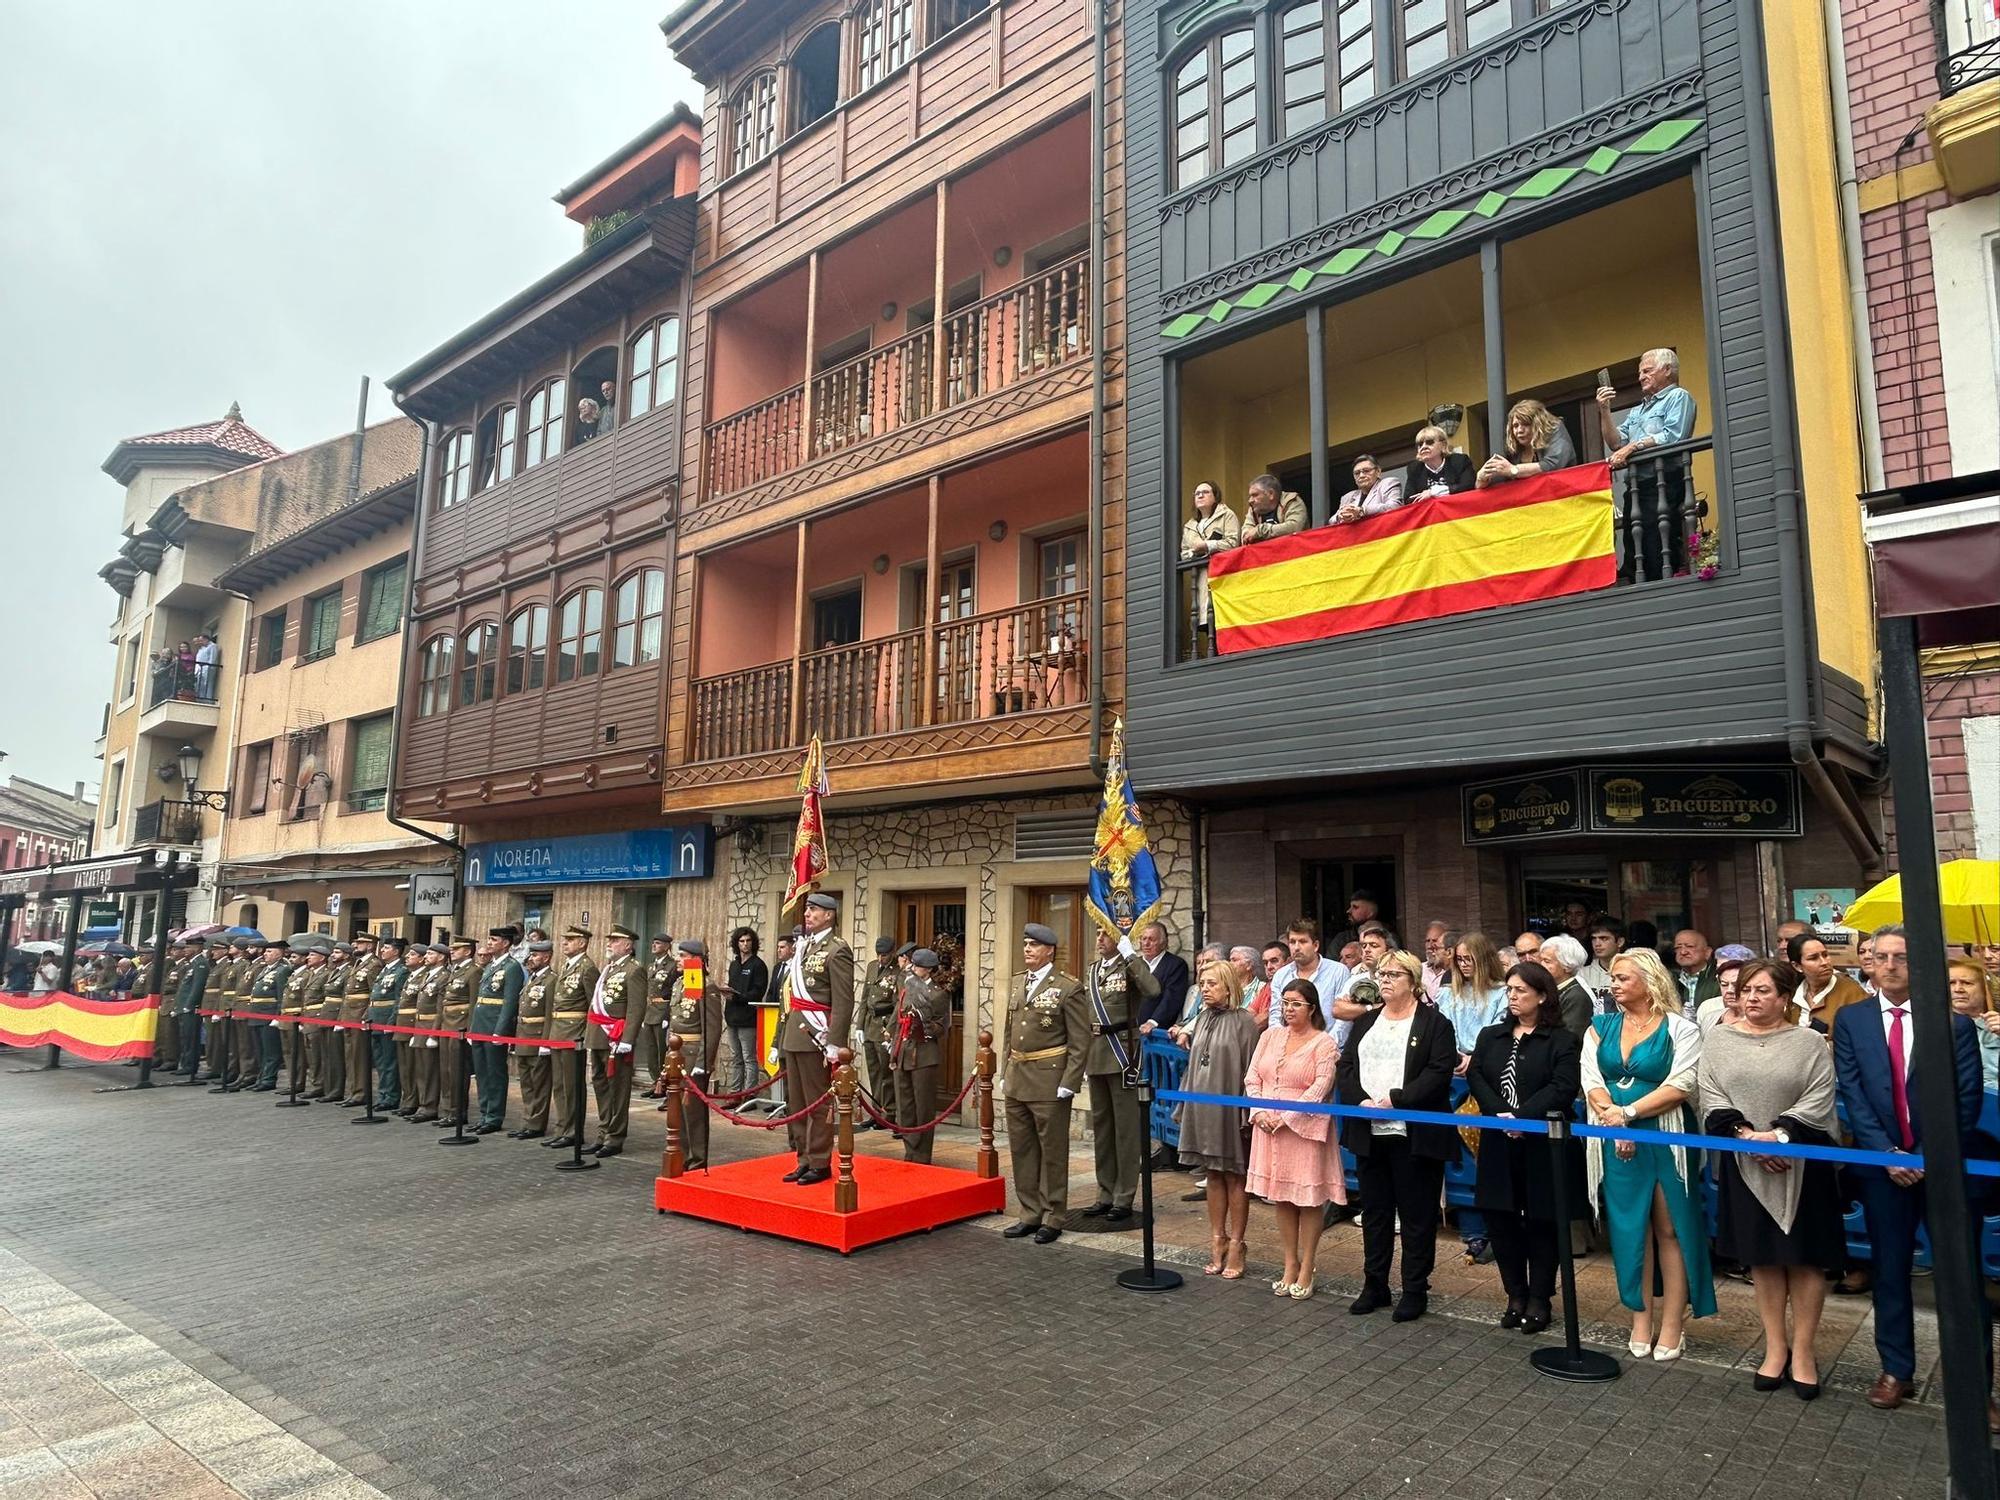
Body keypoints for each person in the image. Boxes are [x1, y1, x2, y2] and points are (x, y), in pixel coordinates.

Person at [1832, 925, 1987, 1412]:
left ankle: (1976, 1388)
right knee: (1891, 1271)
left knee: (1959, 1278)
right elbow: (1852, 1094)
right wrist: (1887, 1154)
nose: (1893, 965)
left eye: (1902, 955)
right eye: (1883, 957)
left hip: (1941, 1169)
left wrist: (1922, 1154)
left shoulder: (1953, 1024)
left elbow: (1965, 1099)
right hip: (1883, 1168)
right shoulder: (1852, 1021)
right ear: (1869, 964)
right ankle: (1896, 1369)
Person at [1699, 958, 1844, 1400]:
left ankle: (1803, 1352)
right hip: (1745, 1161)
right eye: (1746, 990)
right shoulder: (1719, 1039)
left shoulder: (1808, 1042)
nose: (1752, 998)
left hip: (1802, 1163)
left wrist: (1780, 1136)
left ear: (1784, 997)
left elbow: (1820, 1094)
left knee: (1804, 1258)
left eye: (1763, 991)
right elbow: (1710, 1092)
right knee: (1762, 1258)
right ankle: (1775, 1347)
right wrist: (1748, 1137)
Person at [1582, 947, 1715, 1360]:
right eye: (1613, 979)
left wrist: (1628, 1113)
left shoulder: (1681, 1028)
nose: (1614, 985)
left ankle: (1673, 1324)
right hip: (1613, 1135)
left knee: (1670, 1228)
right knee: (1629, 1229)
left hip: (1666, 1135)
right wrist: (1612, 1117)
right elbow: (1590, 1077)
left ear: (1650, 980)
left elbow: (1682, 1084)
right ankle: (1640, 1318)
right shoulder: (1599, 1027)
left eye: (1623, 978)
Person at [1336, 950, 1461, 1322]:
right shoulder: (1366, 1021)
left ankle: (1414, 1287)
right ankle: (1374, 1284)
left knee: (1416, 1215)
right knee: (1374, 1212)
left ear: (1413, 980)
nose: (1385, 980)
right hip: (1369, 1131)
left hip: (1414, 1134)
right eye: (1381, 974)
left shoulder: (1434, 1023)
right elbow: (1346, 1065)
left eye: (1393, 974)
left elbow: (1439, 1072)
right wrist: (1360, 1099)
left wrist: (1396, 1099)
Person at [1467, 961, 1585, 1334]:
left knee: (1541, 1221)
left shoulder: (1562, 1040)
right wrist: (1499, 1114)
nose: (1513, 996)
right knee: (1500, 1219)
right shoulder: (1492, 1035)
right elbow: (1477, 1075)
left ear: (1542, 995)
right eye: (1510, 990)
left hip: (1541, 1142)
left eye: (1521, 990)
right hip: (1498, 1140)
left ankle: (1539, 1298)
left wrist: (1522, 1118)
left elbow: (1562, 1086)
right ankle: (1514, 1294)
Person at [1246, 978, 1344, 1298]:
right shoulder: (1270, 1035)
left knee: (1307, 1198)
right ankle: (1289, 1262)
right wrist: (1260, 1112)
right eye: (1285, 1003)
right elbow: (1252, 1077)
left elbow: (1321, 1086)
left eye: (1296, 1004)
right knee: (1281, 1196)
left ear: (1312, 1008)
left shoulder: (1324, 1042)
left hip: (1304, 1128)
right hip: (1267, 1126)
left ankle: (1308, 1265)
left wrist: (1285, 1118)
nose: (1289, 1009)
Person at [1001, 923, 1089, 1244]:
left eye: (1034, 945)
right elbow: (1009, 1032)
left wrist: (1070, 1080)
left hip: (1050, 1080)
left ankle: (1054, 1214)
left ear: (1049, 950)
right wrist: (1003, 1071)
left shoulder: (1068, 987)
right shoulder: (1016, 983)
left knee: (1052, 1151)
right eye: (1025, 944)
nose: (1027, 950)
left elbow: (1080, 1040)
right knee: (1022, 1149)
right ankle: (1029, 1212)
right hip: (1017, 1077)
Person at [1176, 961, 1261, 1278]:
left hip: (1230, 1108)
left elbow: (1250, 1071)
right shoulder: (1201, 1019)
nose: (1205, 988)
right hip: (1202, 1106)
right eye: (1202, 983)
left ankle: (1238, 1243)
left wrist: (1246, 1112)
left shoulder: (1245, 1021)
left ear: (1228, 986)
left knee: (1234, 1176)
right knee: (1212, 1173)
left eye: (1211, 983)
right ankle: (1217, 1238)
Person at [1079, 925, 1160, 1224]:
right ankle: (1105, 1193)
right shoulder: (1090, 971)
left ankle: (1124, 1196)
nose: (1099, 939)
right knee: (1103, 1129)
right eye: (1097, 933)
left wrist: (1131, 956)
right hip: (1096, 1054)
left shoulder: (1130, 966)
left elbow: (1153, 990)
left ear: (1120, 939)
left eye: (1105, 934)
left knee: (1126, 1130)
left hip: (1123, 1053)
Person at [778, 893, 854, 1184]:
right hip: (795, 1031)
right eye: (807, 909)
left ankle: (820, 1161)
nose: (807, 914)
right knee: (796, 1102)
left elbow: (844, 1000)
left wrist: (835, 1041)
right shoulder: (803, 947)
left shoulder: (837, 950)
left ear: (829, 915)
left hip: (816, 1033)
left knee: (816, 1102)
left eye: (814, 910)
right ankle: (803, 1158)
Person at [585, 925, 647, 1158]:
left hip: (616, 1037)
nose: (609, 943)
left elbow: (636, 1008)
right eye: (609, 939)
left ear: (628, 945)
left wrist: (628, 1039)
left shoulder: (634, 970)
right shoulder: (609, 969)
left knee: (618, 1088)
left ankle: (615, 1137)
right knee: (600, 1085)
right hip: (599, 1035)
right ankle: (603, 1132)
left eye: (615, 940)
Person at [889, 947, 951, 1163]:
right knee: (905, 1104)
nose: (913, 968)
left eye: (918, 966)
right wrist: (893, 1043)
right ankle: (910, 1150)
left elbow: (942, 1027)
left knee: (923, 1106)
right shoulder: (906, 986)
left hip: (925, 1053)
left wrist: (921, 1026)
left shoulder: (939, 994)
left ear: (929, 969)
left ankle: (922, 1154)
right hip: (903, 1050)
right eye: (913, 965)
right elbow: (899, 1015)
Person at [666, 938, 721, 1169]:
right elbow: (675, 1020)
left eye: (683, 956)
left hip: (693, 1052)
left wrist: (703, 1062)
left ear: (696, 960)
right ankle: (683, 1153)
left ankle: (698, 1158)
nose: (678, 960)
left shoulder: (707, 986)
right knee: (676, 1108)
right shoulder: (680, 983)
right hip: (677, 1054)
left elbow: (712, 1027)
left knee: (694, 1110)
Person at [1595, 347, 1697, 469]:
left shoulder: (1678, 396)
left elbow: (1673, 436)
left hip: (1666, 479)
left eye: (1647, 371)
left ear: (1667, 370)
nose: (1641, 378)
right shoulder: (1637, 411)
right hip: (1636, 482)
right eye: (1640, 373)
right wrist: (1604, 409)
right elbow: (1616, 444)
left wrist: (1632, 447)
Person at [543, 926, 598, 1148]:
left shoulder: (587, 968)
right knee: (559, 1084)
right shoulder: (565, 966)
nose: (565, 943)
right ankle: (562, 1127)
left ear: (583, 943)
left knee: (572, 1085)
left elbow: (593, 1004)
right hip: (558, 1030)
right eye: (564, 939)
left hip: (574, 1032)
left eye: (571, 940)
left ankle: (574, 1131)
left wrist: (586, 1034)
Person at [468, 930, 521, 1133]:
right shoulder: (491, 965)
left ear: (506, 943)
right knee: (481, 1072)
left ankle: (494, 1116)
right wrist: (473, 1028)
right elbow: (479, 1000)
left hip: (494, 1026)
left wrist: (501, 1030)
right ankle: (484, 1113)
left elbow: (509, 1002)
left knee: (495, 1072)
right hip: (481, 1025)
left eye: (494, 940)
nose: (489, 943)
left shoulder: (512, 967)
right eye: (489, 939)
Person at [1179, 480, 1239, 652]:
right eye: (1197, 493)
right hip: (1200, 580)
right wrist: (1194, 553)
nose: (1199, 495)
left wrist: (1207, 545)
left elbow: (1233, 542)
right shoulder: (1189, 526)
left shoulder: (1227, 515)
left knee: (1222, 617)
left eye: (1205, 492)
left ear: (1215, 496)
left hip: (1223, 576)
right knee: (1205, 619)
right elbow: (1184, 553)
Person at [1436, 932, 1508, 1076]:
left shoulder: (1502, 993)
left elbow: (1498, 1032)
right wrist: (1456, 1057)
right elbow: (1445, 1029)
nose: (1463, 965)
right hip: (1453, 1062)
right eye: (1459, 959)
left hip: (1488, 1063)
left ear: (1483, 960)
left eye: (1468, 959)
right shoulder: (1447, 993)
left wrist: (1475, 1058)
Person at [1264, 918, 1350, 1034]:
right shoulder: (1281, 975)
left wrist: (1328, 1045)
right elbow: (1276, 1016)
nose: (1296, 947)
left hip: (1329, 1045)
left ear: (1315, 945)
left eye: (1303, 942)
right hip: (1290, 1046)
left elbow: (1343, 1020)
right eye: (1292, 942)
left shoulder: (1338, 971)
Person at [508, 939, 555, 1138]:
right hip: (523, 1036)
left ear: (546, 957)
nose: (531, 959)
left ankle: (536, 1124)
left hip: (537, 1037)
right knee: (526, 1083)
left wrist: (545, 1042)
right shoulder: (532, 978)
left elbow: (550, 1013)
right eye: (531, 954)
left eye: (535, 955)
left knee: (539, 1084)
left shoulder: (551, 980)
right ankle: (528, 1120)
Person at [434, 936, 482, 1128]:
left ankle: (458, 1111)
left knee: (457, 1072)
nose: (452, 951)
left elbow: (473, 1003)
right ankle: (448, 1110)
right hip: (447, 1024)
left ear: (468, 951)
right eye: (451, 949)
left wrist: (470, 1030)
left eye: (457, 949)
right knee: (446, 1071)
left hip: (460, 1025)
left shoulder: (473, 972)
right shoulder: (455, 971)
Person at [1478, 399, 1577, 488]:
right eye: (1515, 426)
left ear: (1538, 424)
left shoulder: (1555, 429)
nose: (1520, 430)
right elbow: (1495, 482)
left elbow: (1552, 465)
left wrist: (1514, 470)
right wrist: (1481, 480)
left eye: (1526, 424)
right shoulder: (1512, 449)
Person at [859, 935, 901, 1126]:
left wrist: (891, 1029)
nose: (881, 958)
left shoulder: (897, 971)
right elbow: (864, 998)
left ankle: (889, 1113)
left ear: (892, 952)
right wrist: (859, 1026)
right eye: (878, 954)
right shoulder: (871, 967)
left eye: (884, 955)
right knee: (873, 1071)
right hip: (869, 1024)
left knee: (886, 1072)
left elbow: (898, 1003)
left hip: (884, 1025)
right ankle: (876, 1112)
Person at [1787, 932, 1866, 1030]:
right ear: (1797, 966)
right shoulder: (1794, 995)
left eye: (1825, 955)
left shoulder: (1851, 991)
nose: (1824, 962)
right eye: (1813, 958)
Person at [336, 932, 381, 1105]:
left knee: (358, 1056)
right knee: (350, 1056)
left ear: (370, 946)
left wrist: (366, 1016)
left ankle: (360, 1092)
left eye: (360, 943)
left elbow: (373, 994)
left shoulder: (373, 965)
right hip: (349, 1014)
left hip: (360, 1015)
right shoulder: (358, 964)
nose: (355, 945)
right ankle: (353, 1090)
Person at [365, 937, 408, 1114]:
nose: (382, 950)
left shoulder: (401, 971)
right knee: (381, 1062)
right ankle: (383, 1094)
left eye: (386, 948)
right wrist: (368, 1016)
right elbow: (374, 997)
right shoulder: (384, 970)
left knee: (390, 1062)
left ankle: (391, 1096)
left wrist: (391, 1022)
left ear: (396, 951)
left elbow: (399, 1000)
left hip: (386, 1021)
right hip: (375, 1019)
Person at [724, 927, 766, 1094]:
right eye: (742, 941)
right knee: (736, 1058)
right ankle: (735, 1092)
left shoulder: (758, 965)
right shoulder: (734, 964)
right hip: (731, 1017)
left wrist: (736, 997)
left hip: (748, 1018)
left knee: (749, 1058)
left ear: (753, 943)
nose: (745, 944)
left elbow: (757, 992)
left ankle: (749, 1094)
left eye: (748, 941)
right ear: (737, 943)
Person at [1949, 955, 2000, 1091]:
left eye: (1967, 983)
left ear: (1986, 989)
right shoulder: (1935, 1028)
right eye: (1951, 983)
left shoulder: (1996, 1026)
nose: (1958, 989)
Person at [1133, 921, 1190, 1037]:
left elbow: (1172, 998)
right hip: (1130, 1032)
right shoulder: (1134, 965)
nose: (1146, 943)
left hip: (1157, 1032)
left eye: (1151, 940)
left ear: (1163, 943)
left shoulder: (1176, 965)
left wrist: (1153, 1022)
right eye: (1144, 939)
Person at [1534, 934, 1596, 1039]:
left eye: (1547, 961)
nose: (1541, 965)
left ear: (1567, 966)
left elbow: (1570, 1037)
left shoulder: (1577, 997)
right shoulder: (1550, 989)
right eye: (1541, 960)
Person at [640, 933, 676, 1094]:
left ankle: (665, 1083)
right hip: (649, 1012)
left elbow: (673, 992)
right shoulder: (650, 966)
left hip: (662, 1012)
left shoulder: (673, 966)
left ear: (667, 946)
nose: (654, 946)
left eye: (659, 943)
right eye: (653, 943)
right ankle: (655, 1082)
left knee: (662, 1049)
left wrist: (668, 1016)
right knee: (651, 1049)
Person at [1401, 426, 1476, 501]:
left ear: (1443, 445)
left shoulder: (1459, 461)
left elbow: (1469, 485)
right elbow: (1408, 499)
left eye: (1429, 442)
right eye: (1420, 444)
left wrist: (1433, 492)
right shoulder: (1415, 469)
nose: (1423, 447)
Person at [1331, 455, 1404, 524]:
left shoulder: (1388, 483)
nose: (1361, 475)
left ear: (1378, 471)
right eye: (1357, 473)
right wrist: (1340, 516)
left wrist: (1362, 510)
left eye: (1366, 471)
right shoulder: (1348, 497)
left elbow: (1395, 506)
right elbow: (1331, 521)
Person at [1239, 473, 1306, 543]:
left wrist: (1260, 531)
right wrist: (1247, 535)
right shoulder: (1254, 509)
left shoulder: (1291, 501)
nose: (1250, 500)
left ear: (1271, 494)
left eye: (1255, 495)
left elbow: (1295, 527)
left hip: (1295, 551)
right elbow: (1246, 533)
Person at [1670, 929, 1720, 1011]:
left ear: (1707, 952)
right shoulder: (1669, 980)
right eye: (1678, 947)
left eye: (1690, 946)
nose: (1683, 952)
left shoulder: (1719, 980)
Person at [1231, 945, 1270, 1025]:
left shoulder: (1262, 988)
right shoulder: (1227, 989)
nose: (1229, 964)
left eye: (1234, 960)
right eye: (1230, 960)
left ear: (1249, 965)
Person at [1420, 921, 1454, 1001]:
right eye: (1428, 941)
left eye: (1435, 941)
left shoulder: (1455, 973)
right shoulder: (1419, 970)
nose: (1430, 946)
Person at [193, 632, 220, 699]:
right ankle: (200, 698)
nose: (201, 642)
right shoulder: (202, 648)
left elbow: (212, 658)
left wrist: (209, 667)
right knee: (200, 685)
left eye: (201, 640)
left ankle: (208, 699)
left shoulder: (212, 646)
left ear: (206, 639)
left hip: (208, 669)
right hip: (200, 669)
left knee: (208, 685)